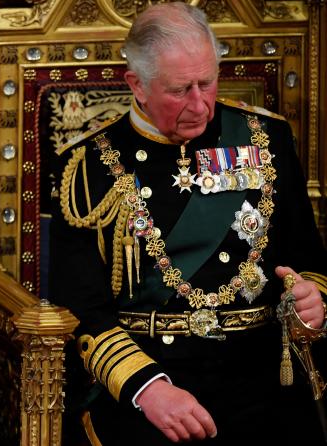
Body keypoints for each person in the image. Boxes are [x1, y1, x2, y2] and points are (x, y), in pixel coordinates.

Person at [49, 3, 327, 445]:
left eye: (208, 82)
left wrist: (313, 303)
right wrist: (148, 389)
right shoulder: (87, 167)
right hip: (153, 380)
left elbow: (309, 261)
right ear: (136, 85)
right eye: (180, 90)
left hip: (265, 380)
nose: (200, 104)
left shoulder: (266, 138)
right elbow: (81, 307)